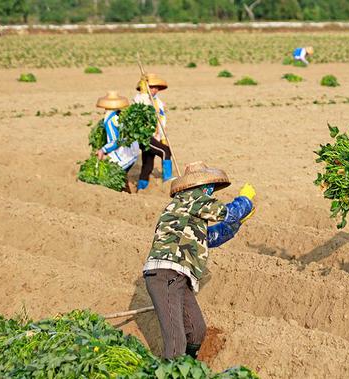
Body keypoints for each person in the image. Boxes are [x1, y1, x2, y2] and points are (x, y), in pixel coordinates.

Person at [143, 161, 256, 359]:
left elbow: (210, 237)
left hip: (179, 277)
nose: (211, 192)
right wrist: (245, 200)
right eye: (209, 188)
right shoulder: (192, 197)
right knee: (176, 342)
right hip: (165, 274)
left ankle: (187, 367)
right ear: (201, 186)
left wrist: (237, 223)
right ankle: (172, 370)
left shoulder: (189, 210)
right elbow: (227, 212)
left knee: (196, 331)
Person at [133, 73, 173, 191]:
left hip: (154, 136)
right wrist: (145, 92)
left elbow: (161, 120)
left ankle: (140, 188)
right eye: (151, 87)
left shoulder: (158, 102)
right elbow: (144, 106)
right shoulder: (140, 98)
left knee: (148, 164)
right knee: (165, 151)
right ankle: (168, 179)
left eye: (156, 88)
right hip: (144, 136)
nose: (154, 90)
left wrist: (163, 138)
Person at [95, 91, 140, 173]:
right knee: (122, 180)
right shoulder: (120, 115)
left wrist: (103, 150)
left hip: (124, 154)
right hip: (133, 149)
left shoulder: (110, 120)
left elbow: (115, 141)